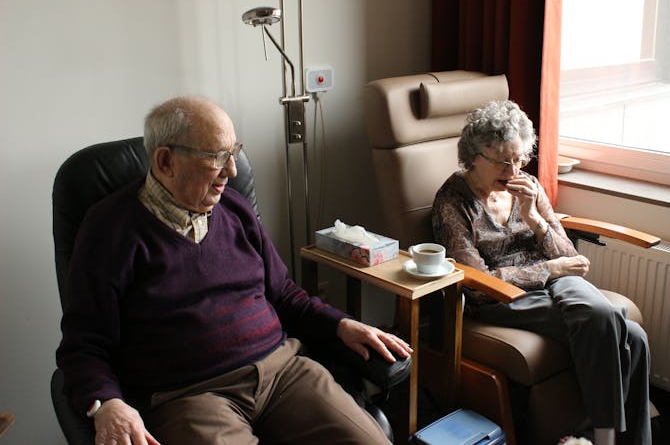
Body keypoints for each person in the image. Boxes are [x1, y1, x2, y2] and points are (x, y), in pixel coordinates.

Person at [56, 95, 412, 445]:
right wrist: (107, 403)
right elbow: (84, 346)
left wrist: (340, 324)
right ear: (165, 161)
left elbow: (284, 294)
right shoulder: (110, 230)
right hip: (190, 397)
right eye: (216, 157)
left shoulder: (234, 209)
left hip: (283, 373)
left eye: (233, 152)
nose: (232, 170)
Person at [431, 100, 651, 445]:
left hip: (557, 280)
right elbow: (477, 283)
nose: (514, 169)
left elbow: (570, 258)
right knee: (631, 335)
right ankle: (605, 439)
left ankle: (601, 439)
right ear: (473, 156)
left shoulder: (528, 186)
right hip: (503, 297)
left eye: (519, 158)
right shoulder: (452, 202)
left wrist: (534, 218)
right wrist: (548, 269)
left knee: (609, 320)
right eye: (503, 161)